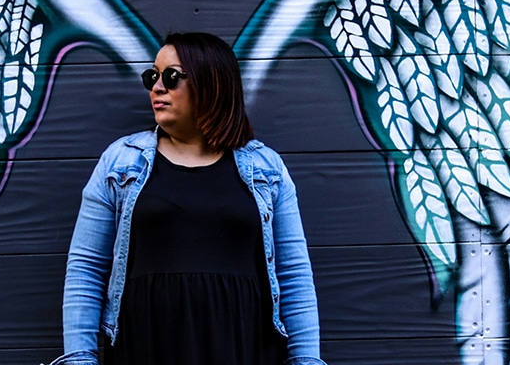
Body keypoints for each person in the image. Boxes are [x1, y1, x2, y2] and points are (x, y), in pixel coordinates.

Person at [48, 32, 327, 365]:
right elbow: (86, 268)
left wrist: (307, 361)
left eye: (171, 76)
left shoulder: (266, 169)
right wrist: (80, 359)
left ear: (212, 83)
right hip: (147, 346)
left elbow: (294, 275)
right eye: (152, 76)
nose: (157, 87)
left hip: (243, 346)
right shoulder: (120, 162)